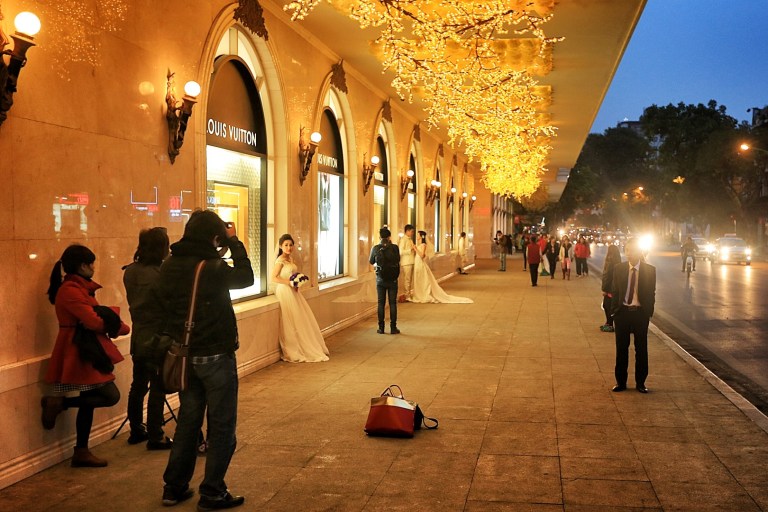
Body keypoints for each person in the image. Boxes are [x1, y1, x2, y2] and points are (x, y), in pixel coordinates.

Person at [153, 210, 253, 509]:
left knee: (188, 421)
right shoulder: (212, 267)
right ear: (214, 237)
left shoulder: (169, 265)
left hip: (184, 355)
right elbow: (246, 277)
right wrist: (235, 242)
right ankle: (212, 491)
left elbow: (160, 303)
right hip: (215, 356)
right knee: (221, 425)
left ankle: (174, 487)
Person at [41, 244, 130, 467]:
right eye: (91, 264)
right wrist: (115, 324)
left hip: (82, 346)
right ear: (82, 265)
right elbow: (93, 320)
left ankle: (81, 450)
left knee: (90, 402)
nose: (93, 268)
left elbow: (92, 318)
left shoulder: (78, 288)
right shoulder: (71, 290)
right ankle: (59, 404)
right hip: (78, 348)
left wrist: (109, 321)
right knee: (109, 395)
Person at [123, 227, 173, 450]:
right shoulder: (160, 275)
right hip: (158, 337)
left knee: (138, 385)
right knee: (158, 386)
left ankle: (136, 429)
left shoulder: (130, 271)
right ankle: (156, 434)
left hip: (139, 335)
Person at [272, 234, 330, 362]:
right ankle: (294, 347)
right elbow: (274, 277)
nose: (289, 247)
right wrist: (290, 283)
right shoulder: (280, 260)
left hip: (293, 290)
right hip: (284, 290)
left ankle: (304, 344)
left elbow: (292, 274)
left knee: (300, 317)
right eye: (286, 245)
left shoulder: (290, 259)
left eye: (290, 245)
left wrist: (296, 284)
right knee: (291, 318)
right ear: (281, 246)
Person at [610, 237, 656, 394]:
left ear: (639, 251)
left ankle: (641, 383)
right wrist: (614, 312)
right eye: (627, 250)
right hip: (622, 314)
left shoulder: (650, 270)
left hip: (640, 314)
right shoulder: (619, 268)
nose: (630, 253)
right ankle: (621, 382)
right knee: (621, 349)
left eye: (633, 250)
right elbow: (615, 291)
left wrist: (648, 312)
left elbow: (651, 293)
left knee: (641, 349)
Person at [412, 231, 473, 304]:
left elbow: (422, 255)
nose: (417, 236)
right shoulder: (420, 245)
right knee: (419, 279)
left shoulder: (423, 245)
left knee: (423, 279)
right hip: (417, 262)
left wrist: (415, 249)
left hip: (420, 262)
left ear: (421, 236)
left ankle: (423, 294)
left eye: (418, 235)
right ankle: (419, 293)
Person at [370, 227, 401, 334]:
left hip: (380, 279)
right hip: (393, 279)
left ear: (379, 237)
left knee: (381, 303)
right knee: (392, 303)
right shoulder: (395, 247)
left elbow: (371, 261)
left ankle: (381, 328)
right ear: (389, 237)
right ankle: (393, 328)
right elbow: (398, 259)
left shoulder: (376, 248)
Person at [600, 244, 622, 332]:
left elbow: (607, 277)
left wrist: (604, 289)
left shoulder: (609, 262)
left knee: (607, 305)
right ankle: (610, 323)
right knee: (611, 306)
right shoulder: (618, 262)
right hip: (615, 289)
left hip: (609, 288)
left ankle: (609, 324)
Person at [398, 224, 416, 301]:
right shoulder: (403, 239)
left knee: (410, 279)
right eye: (411, 232)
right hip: (406, 262)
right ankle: (407, 295)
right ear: (407, 231)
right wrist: (410, 250)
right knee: (407, 279)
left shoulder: (410, 239)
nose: (412, 233)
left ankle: (408, 294)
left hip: (411, 261)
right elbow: (400, 251)